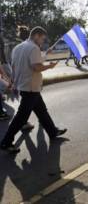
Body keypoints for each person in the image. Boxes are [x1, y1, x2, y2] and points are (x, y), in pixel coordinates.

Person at [0, 26, 67, 154]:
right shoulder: (34, 48)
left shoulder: (18, 47)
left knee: (42, 111)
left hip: (25, 86)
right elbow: (36, 66)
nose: (42, 42)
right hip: (30, 87)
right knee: (20, 117)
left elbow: (16, 66)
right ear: (36, 35)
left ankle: (53, 131)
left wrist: (46, 53)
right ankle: (6, 142)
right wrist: (50, 67)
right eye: (42, 39)